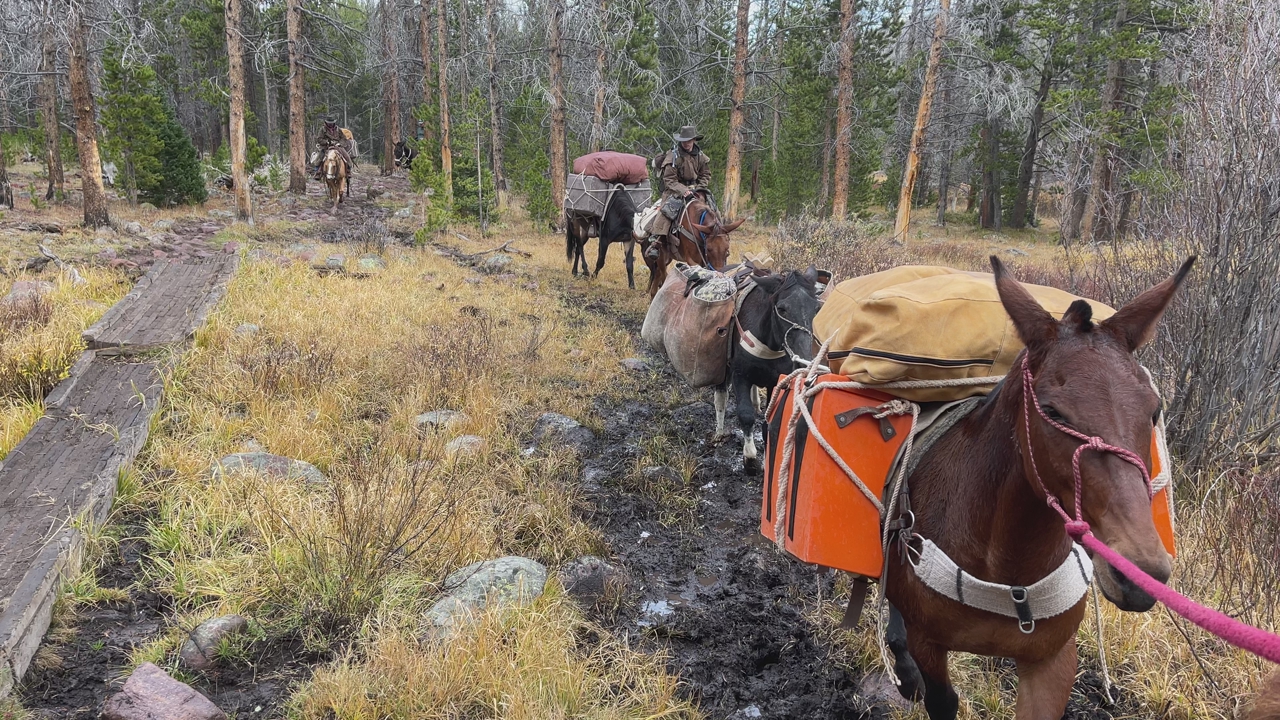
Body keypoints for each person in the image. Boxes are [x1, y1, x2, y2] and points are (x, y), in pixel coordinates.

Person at [646, 124, 712, 261]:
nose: (686, 143)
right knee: (668, 211)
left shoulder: (700, 156)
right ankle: (656, 241)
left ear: (694, 140)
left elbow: (706, 174)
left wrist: (700, 188)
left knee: (712, 207)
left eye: (689, 140)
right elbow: (669, 180)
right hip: (674, 190)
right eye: (684, 141)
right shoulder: (673, 156)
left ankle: (717, 235)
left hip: (696, 189)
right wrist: (684, 190)